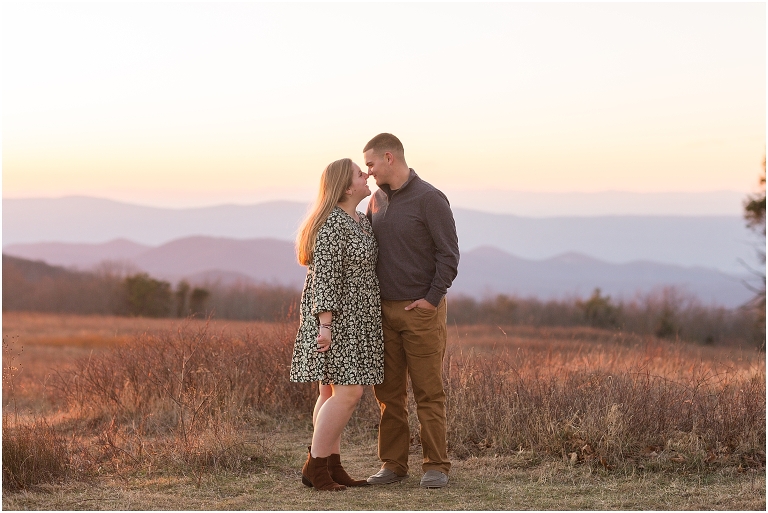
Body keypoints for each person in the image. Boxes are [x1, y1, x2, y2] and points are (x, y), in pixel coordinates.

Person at [363, 133, 460, 489]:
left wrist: (431, 299)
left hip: (421, 311)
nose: (368, 171)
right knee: (388, 394)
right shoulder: (375, 200)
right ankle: (393, 464)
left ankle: (436, 465)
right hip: (383, 313)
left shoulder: (430, 198)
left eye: (371, 163)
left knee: (427, 392)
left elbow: (448, 255)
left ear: (389, 157)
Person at [289, 158, 384, 491]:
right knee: (349, 392)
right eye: (361, 174)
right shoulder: (332, 223)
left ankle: (331, 464)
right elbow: (326, 278)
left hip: (359, 316)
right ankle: (315, 466)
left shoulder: (358, 219)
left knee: (329, 389)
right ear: (347, 186)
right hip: (337, 318)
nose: (366, 175)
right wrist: (325, 325)